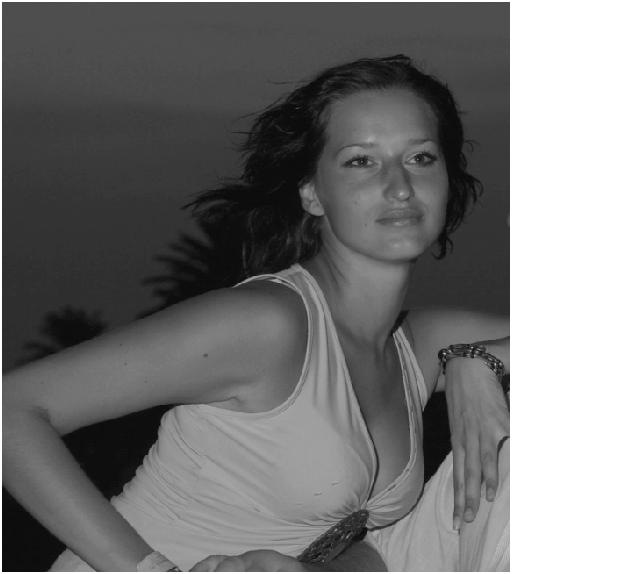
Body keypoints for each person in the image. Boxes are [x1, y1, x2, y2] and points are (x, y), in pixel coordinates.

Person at [3, 55, 509, 572]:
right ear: (312, 193)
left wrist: (477, 363)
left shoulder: (418, 345)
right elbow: (11, 409)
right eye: (361, 161)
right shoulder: (268, 324)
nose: (400, 186)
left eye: (421, 157)